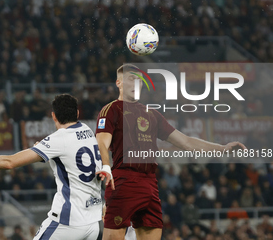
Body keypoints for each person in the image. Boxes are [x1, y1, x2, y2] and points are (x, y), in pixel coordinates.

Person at [95, 64, 246, 240]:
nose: (136, 82)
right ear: (118, 83)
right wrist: (106, 165)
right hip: (123, 181)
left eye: (139, 79)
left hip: (150, 183)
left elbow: (186, 142)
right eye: (131, 78)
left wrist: (222, 148)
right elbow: (102, 142)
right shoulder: (112, 109)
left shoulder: (152, 114)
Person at [0, 94, 105, 240]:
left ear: (53, 116)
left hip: (68, 222)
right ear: (77, 113)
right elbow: (70, 159)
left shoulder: (58, 139)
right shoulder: (87, 131)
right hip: (93, 224)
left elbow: (9, 162)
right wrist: (45, 152)